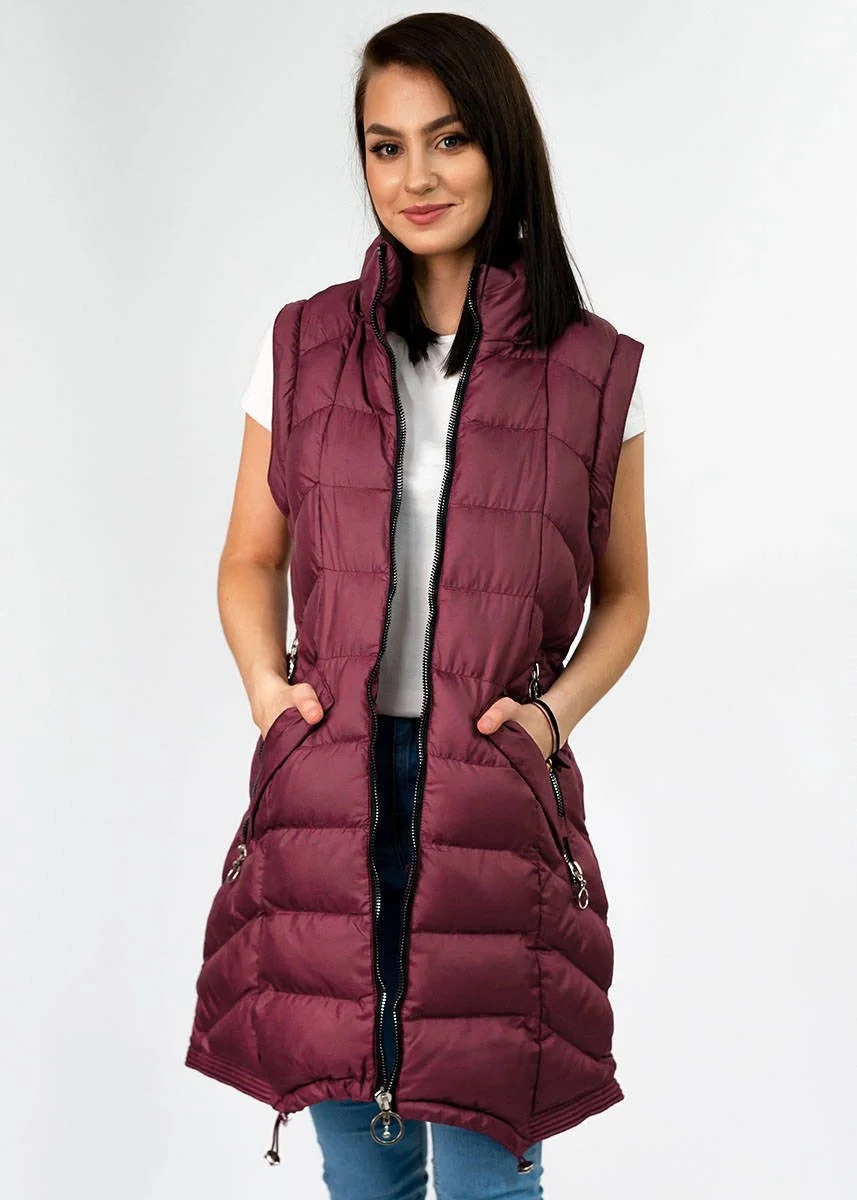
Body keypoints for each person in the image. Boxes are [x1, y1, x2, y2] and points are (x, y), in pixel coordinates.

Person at [185, 13, 649, 1199]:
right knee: (361, 1166)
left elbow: (625, 597)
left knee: (493, 1164)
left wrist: (549, 722)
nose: (415, 177)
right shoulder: (302, 346)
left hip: (489, 789)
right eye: (383, 147)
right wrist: (266, 690)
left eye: (446, 140)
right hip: (329, 787)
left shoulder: (593, 370)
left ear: (500, 145)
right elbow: (248, 558)